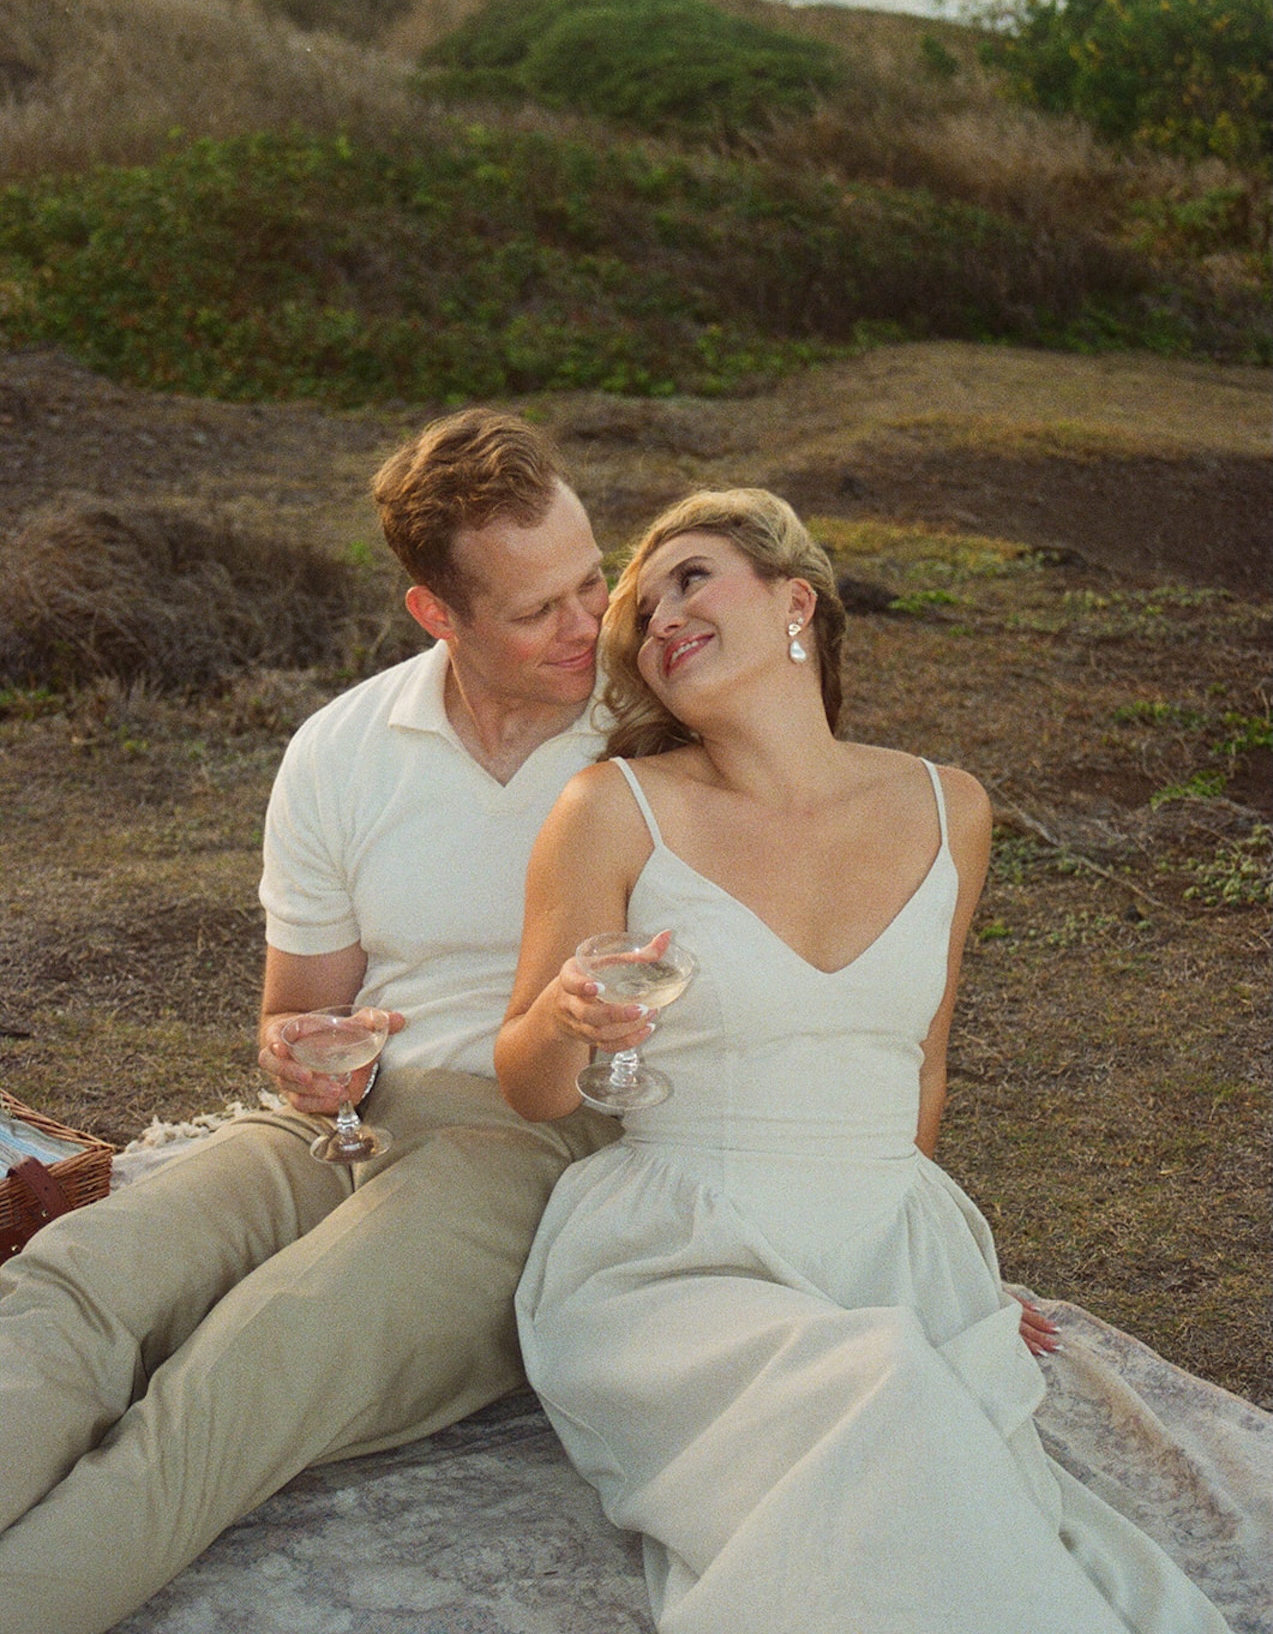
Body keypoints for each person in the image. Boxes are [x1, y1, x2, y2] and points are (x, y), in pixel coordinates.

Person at [495, 487, 1234, 1634]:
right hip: (676, 1256)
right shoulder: (611, 807)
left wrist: (943, 1262)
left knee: (937, 1418)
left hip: (888, 1245)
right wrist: (567, 1020)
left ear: (797, 601)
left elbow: (921, 1065)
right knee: (881, 1385)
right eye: (641, 612)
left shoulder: (949, 805)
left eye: (690, 579)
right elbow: (528, 1084)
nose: (658, 620)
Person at [0, 407, 619, 1634]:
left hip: (543, 1140)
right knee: (74, 1280)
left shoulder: (655, 735)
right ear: (437, 614)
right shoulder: (342, 750)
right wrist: (298, 1059)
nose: (590, 624)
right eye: (538, 608)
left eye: (594, 579)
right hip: (352, 1128)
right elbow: (299, 1014)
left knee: (251, 1363)